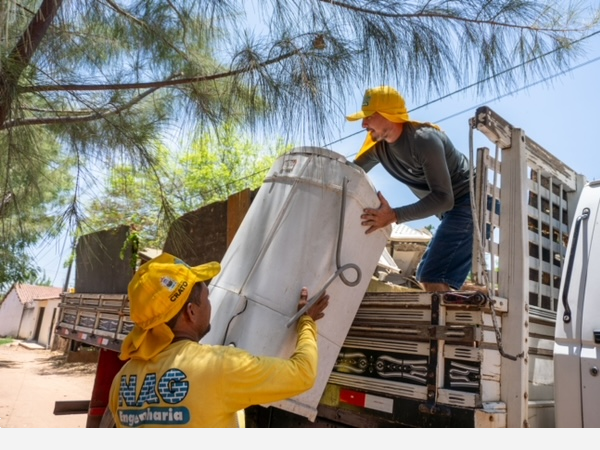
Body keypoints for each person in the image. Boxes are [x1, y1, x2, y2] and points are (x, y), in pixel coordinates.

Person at [108, 252, 329, 428]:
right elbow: (303, 374)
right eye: (207, 298)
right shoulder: (219, 367)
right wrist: (306, 322)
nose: (210, 305)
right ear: (191, 312)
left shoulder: (121, 380)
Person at [346, 85, 473, 292]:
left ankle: (453, 322)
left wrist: (393, 215)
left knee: (432, 276)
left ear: (389, 115)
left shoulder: (423, 139)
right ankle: (481, 299)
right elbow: (349, 174)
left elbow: (443, 198)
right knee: (430, 276)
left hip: (472, 203)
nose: (363, 123)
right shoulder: (378, 148)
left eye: (369, 116)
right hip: (454, 212)